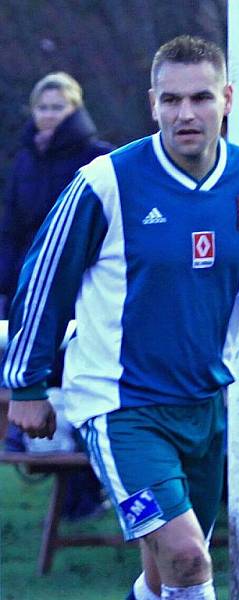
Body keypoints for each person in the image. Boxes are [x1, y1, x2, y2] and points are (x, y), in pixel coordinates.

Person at [1, 35, 239, 600]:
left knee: (163, 578)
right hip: (119, 409)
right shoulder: (107, 182)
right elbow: (44, 280)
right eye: (171, 100)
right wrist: (26, 384)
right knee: (188, 557)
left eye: (200, 98)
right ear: (153, 104)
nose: (185, 113)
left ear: (226, 98)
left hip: (201, 407)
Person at [0, 71, 114, 520]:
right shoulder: (25, 159)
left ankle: (90, 486)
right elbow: (10, 228)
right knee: (38, 382)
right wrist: (7, 287)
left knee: (79, 382)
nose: (48, 115)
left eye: (58, 107)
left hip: (79, 288)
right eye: (42, 107)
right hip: (29, 287)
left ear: (75, 109)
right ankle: (62, 480)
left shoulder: (95, 157)